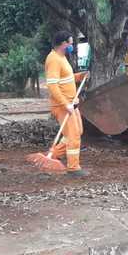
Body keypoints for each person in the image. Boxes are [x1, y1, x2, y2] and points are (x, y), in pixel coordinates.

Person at [45, 31, 89, 177]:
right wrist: (65, 104)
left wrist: (80, 76)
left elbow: (67, 79)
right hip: (64, 106)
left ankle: (54, 154)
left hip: (72, 103)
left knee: (77, 132)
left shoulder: (62, 58)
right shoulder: (53, 60)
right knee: (73, 135)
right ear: (63, 44)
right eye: (70, 43)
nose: (72, 46)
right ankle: (73, 168)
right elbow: (53, 86)